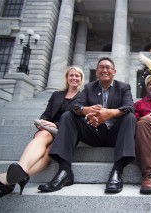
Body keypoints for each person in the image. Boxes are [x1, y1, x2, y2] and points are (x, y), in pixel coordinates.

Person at [37, 57, 136, 194]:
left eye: (108, 67)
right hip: (93, 131)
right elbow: (75, 106)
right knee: (68, 116)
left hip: (115, 133)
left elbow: (130, 107)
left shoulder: (123, 87)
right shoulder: (89, 87)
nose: (104, 70)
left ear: (114, 71)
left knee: (130, 117)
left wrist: (109, 113)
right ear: (96, 72)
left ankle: (117, 171)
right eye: (101, 67)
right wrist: (87, 111)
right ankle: (65, 171)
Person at [0, 66, 84, 203]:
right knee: (44, 135)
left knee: (49, 152)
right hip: (48, 131)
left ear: (81, 79)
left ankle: (9, 178)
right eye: (71, 75)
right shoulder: (57, 95)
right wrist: (42, 122)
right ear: (67, 78)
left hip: (67, 131)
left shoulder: (83, 97)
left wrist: (56, 125)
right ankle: (21, 170)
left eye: (77, 76)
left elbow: (79, 119)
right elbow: (46, 113)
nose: (74, 78)